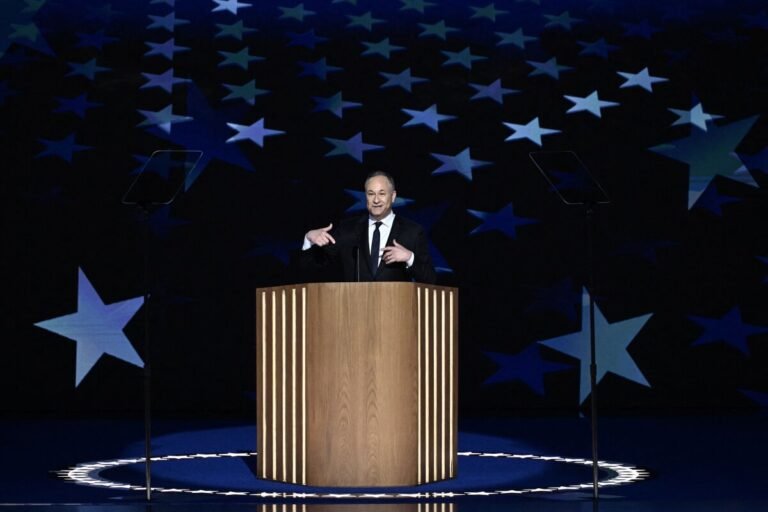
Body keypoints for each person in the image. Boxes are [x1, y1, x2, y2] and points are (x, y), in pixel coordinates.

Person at [298, 171, 436, 284]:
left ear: (393, 196)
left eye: (382, 193)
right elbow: (309, 269)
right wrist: (308, 239)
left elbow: (430, 279)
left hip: (395, 313)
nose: (376, 200)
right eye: (371, 194)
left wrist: (409, 258)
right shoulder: (348, 229)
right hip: (354, 311)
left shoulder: (412, 232)